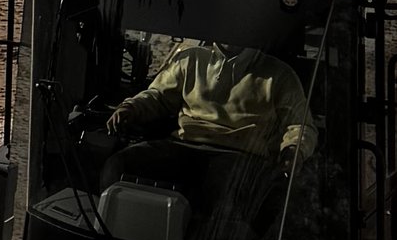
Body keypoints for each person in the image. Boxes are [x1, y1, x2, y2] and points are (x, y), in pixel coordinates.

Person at [107, 33, 318, 165]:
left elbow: (300, 125)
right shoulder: (191, 59)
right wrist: (131, 108)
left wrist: (293, 150)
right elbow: (158, 96)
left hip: (240, 160)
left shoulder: (279, 75)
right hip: (183, 146)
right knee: (119, 165)